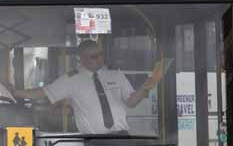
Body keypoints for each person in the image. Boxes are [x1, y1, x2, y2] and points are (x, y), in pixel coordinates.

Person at [14, 38, 163, 134]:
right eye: (94, 57)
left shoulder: (115, 74)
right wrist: (16, 92)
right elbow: (43, 93)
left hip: (121, 137)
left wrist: (148, 85)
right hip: (94, 142)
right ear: (82, 59)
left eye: (101, 54)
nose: (99, 59)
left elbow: (131, 102)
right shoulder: (71, 79)